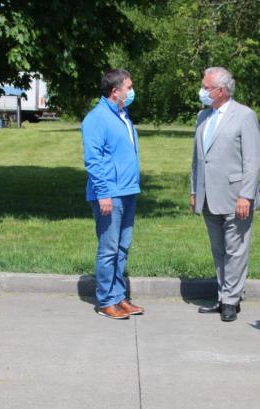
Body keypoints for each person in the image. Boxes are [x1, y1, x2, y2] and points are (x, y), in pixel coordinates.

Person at [190, 67, 260, 322]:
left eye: (206, 87)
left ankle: (232, 299)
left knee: (236, 249)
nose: (202, 91)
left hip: (236, 196)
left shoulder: (244, 116)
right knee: (218, 249)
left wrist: (246, 195)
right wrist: (193, 190)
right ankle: (222, 296)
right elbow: (197, 159)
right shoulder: (203, 117)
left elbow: (252, 160)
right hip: (208, 195)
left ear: (221, 90)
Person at [81, 69, 144, 319]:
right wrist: (103, 193)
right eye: (128, 87)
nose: (131, 91)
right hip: (109, 194)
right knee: (108, 249)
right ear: (115, 91)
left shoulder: (122, 114)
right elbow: (93, 160)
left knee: (122, 247)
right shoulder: (96, 119)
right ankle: (106, 300)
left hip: (128, 191)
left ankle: (119, 296)